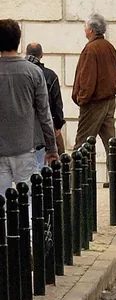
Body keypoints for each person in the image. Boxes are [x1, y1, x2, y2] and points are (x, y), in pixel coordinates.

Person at [0, 20, 57, 192]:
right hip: (25, 148)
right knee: (30, 206)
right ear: (18, 41)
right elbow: (44, 114)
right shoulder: (33, 72)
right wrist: (51, 147)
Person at [72, 13, 116, 187]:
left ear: (90, 30)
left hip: (94, 102)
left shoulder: (91, 49)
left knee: (82, 141)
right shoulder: (108, 46)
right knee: (110, 139)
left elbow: (87, 77)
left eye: (85, 27)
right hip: (109, 99)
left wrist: (82, 98)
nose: (84, 29)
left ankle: (72, 179)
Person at [25, 42, 65, 162]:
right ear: (41, 55)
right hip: (45, 126)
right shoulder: (50, 75)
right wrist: (58, 125)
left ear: (26, 53)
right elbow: (57, 103)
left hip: (24, 126)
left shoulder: (22, 73)